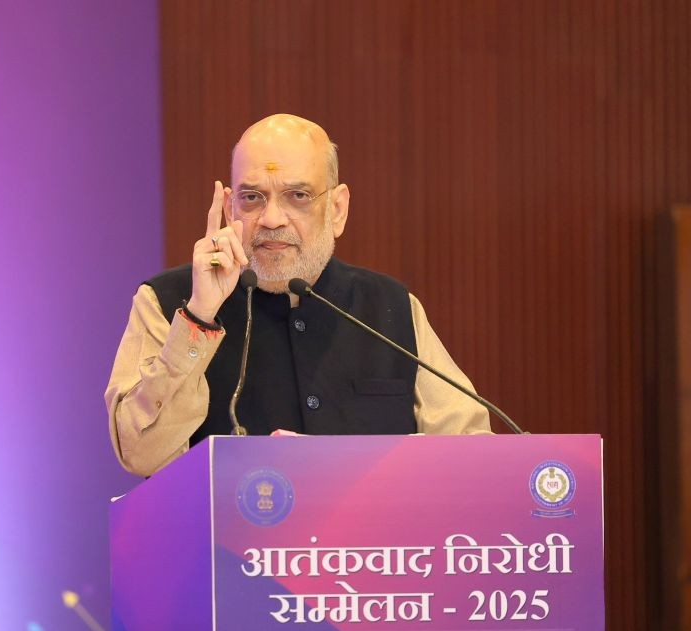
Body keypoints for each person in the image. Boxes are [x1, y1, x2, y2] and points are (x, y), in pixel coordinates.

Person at [106, 114, 491, 477]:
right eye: (252, 197)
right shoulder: (167, 302)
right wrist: (199, 319)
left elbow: (472, 454)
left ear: (337, 209)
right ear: (229, 209)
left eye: (298, 195)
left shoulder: (390, 306)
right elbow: (141, 454)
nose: (272, 219)